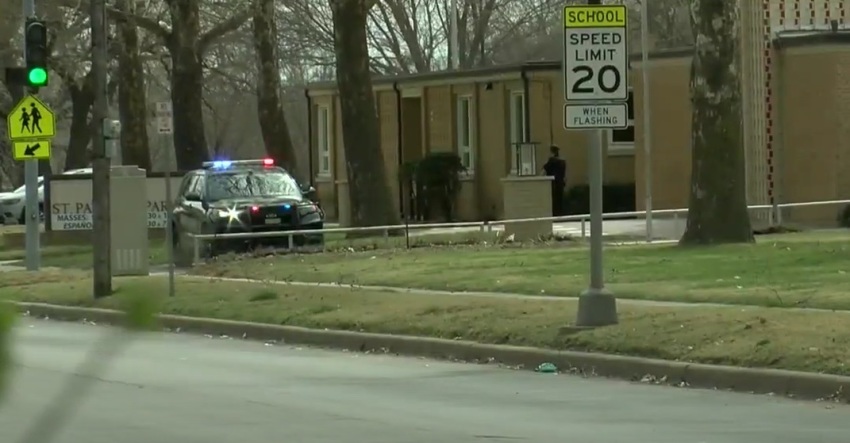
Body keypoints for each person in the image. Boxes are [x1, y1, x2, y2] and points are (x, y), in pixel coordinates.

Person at [542, 145, 567, 216]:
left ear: (552, 152)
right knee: (559, 200)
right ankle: (560, 213)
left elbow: (544, 171)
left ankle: (554, 214)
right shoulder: (562, 162)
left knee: (553, 200)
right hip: (560, 183)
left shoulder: (551, 161)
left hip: (552, 184)